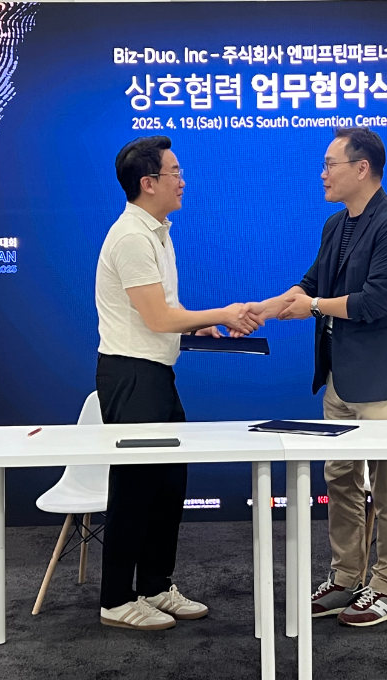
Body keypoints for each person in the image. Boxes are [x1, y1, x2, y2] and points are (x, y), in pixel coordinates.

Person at [244, 127, 387, 627]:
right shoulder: (335, 224)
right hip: (340, 377)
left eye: (330, 164)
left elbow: (376, 302)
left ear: (362, 168)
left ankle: (386, 586)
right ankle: (346, 578)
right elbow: (310, 285)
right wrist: (263, 309)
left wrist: (316, 306)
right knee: (340, 478)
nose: (322, 174)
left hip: (383, 380)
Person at [96, 135, 257, 630]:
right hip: (132, 375)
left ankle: (155, 586)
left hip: (156, 373)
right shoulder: (131, 237)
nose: (183, 181)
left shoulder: (159, 232)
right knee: (134, 489)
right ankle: (116, 600)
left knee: (167, 487)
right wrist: (222, 313)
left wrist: (197, 326)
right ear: (148, 183)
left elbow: (166, 312)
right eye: (175, 173)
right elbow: (158, 319)